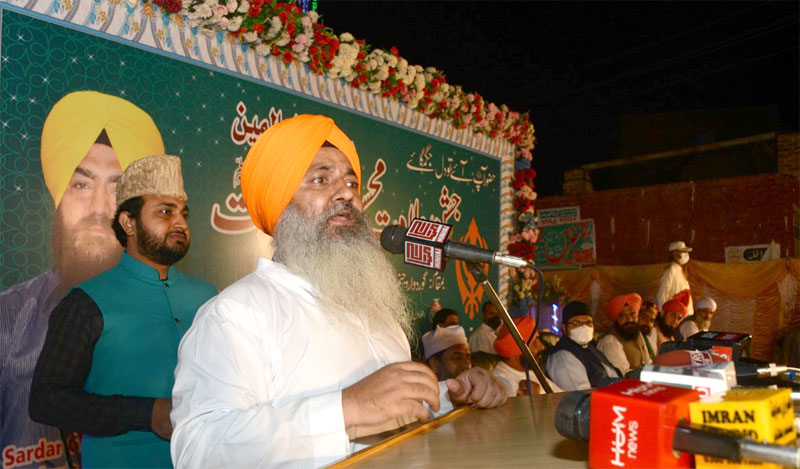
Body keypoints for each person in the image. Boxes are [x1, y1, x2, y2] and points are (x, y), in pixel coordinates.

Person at [169, 114, 506, 467]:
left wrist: (455, 395)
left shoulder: (378, 314)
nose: (346, 193)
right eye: (320, 179)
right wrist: (346, 408)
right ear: (280, 205)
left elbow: (395, 417)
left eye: (352, 182)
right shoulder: (237, 313)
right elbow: (199, 449)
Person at [0, 91, 164, 468]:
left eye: (119, 189)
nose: (100, 210)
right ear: (58, 197)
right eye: (81, 185)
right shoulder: (8, 319)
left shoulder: (181, 313)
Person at [29, 155, 217, 468]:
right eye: (165, 212)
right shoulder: (85, 303)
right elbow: (46, 401)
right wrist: (146, 413)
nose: (181, 223)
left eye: (183, 213)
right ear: (129, 222)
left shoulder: (209, 296)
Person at [545, 301, 622, 391]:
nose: (584, 327)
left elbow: (612, 375)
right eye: (576, 323)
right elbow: (581, 396)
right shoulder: (562, 357)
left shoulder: (590, 348)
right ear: (564, 328)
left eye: (588, 323)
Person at [492, 316, 561, 397]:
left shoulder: (530, 370)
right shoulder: (502, 382)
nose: (542, 347)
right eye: (535, 342)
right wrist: (534, 399)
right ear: (517, 351)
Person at [597, 294, 651, 375]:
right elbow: (623, 374)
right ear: (616, 319)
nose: (629, 319)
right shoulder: (610, 341)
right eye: (623, 316)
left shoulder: (636, 333)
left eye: (632, 314)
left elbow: (648, 362)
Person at [656, 241, 693, 317]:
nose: (686, 255)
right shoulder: (670, 271)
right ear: (675, 254)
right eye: (684, 252)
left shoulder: (679, 271)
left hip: (682, 318)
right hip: (673, 318)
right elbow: (661, 297)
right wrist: (664, 316)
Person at [469, 301, 502, 370]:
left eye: (498, 314)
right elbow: (482, 364)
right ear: (483, 316)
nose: (496, 317)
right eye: (492, 314)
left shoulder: (500, 332)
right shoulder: (479, 335)